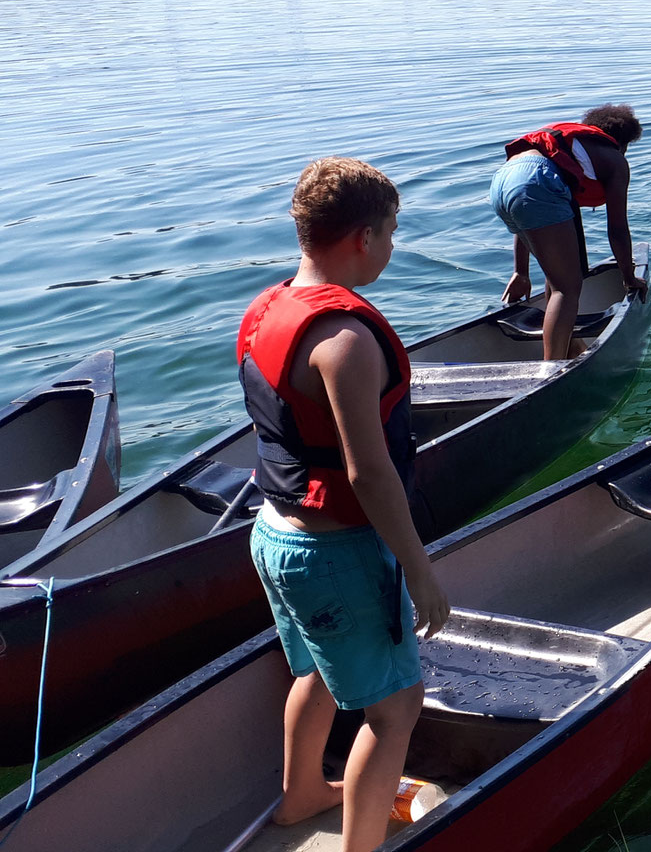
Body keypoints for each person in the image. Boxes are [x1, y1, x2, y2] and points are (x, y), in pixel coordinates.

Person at [238, 158, 450, 852]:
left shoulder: (269, 308)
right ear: (362, 237)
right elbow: (369, 475)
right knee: (394, 714)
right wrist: (419, 572)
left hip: (274, 534)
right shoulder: (348, 342)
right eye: (391, 233)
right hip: (335, 552)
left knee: (315, 673)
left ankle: (302, 797)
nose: (392, 248)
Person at [491, 104, 648, 361]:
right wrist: (629, 276)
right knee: (568, 288)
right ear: (624, 142)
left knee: (558, 278)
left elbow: (527, 214)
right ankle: (551, 369)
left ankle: (570, 346)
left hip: (502, 181)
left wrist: (521, 271)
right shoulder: (614, 159)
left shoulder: (570, 145)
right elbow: (617, 228)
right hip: (538, 182)